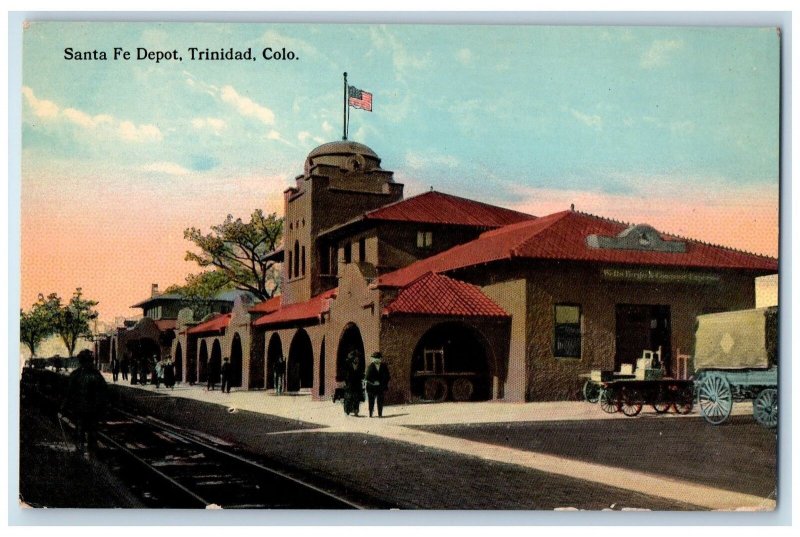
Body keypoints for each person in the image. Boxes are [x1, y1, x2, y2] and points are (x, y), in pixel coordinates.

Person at [60, 350, 108, 457]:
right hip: (93, 410)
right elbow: (104, 394)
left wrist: (64, 407)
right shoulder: (97, 375)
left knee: (80, 430)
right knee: (92, 432)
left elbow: (69, 393)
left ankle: (80, 454)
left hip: (80, 409)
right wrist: (103, 410)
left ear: (80, 361)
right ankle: (92, 455)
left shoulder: (75, 375)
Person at [365, 351, 391, 418]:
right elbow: (367, 377)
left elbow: (388, 376)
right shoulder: (370, 366)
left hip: (380, 387)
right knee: (371, 401)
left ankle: (380, 414)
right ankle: (370, 414)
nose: (376, 359)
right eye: (375, 358)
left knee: (380, 401)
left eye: (378, 358)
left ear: (380, 359)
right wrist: (374, 382)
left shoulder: (384, 366)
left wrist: (382, 382)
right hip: (371, 387)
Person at [343, 351, 364, 416]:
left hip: (357, 384)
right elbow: (345, 375)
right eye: (356, 358)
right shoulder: (348, 365)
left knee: (356, 398)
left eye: (358, 358)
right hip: (350, 384)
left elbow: (361, 374)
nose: (357, 359)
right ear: (353, 358)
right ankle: (347, 411)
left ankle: (356, 411)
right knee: (349, 398)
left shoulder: (360, 365)